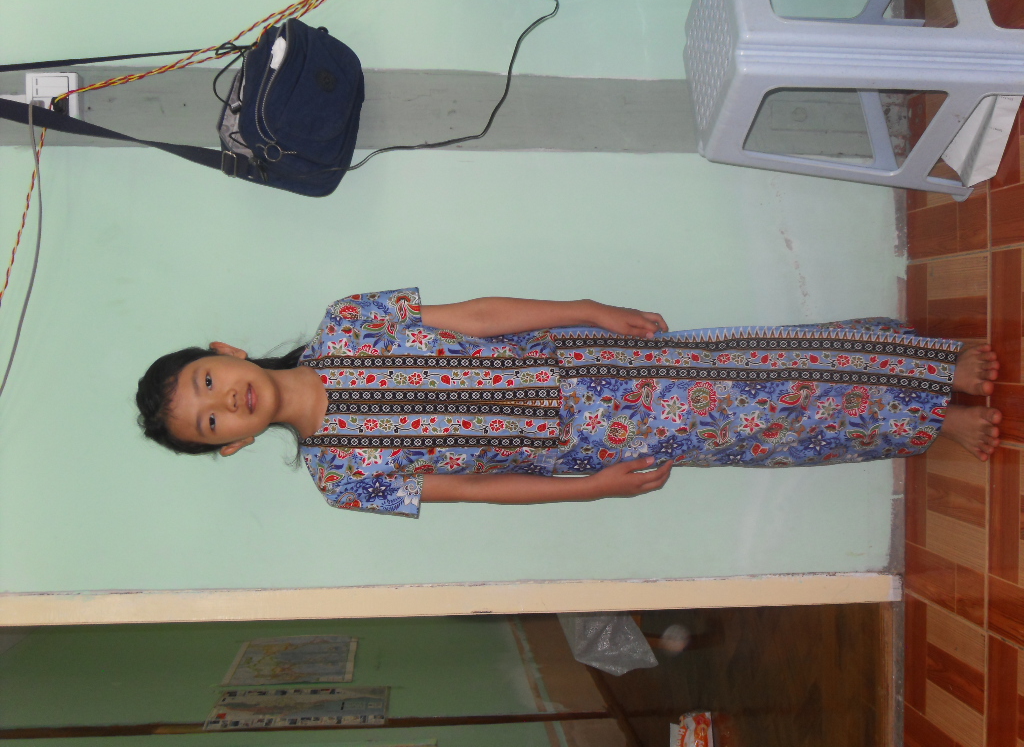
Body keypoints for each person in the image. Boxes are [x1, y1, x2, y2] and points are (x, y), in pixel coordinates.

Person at [137, 288, 1001, 518]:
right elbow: (475, 490)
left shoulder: (350, 321)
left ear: (227, 353)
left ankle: (932, 365)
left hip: (598, 362)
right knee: (770, 429)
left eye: (208, 381)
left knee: (763, 361)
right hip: (596, 441)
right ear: (232, 445)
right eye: (212, 421)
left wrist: (587, 308)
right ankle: (933, 423)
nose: (226, 401)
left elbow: (479, 317)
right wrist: (589, 489)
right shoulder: (343, 480)